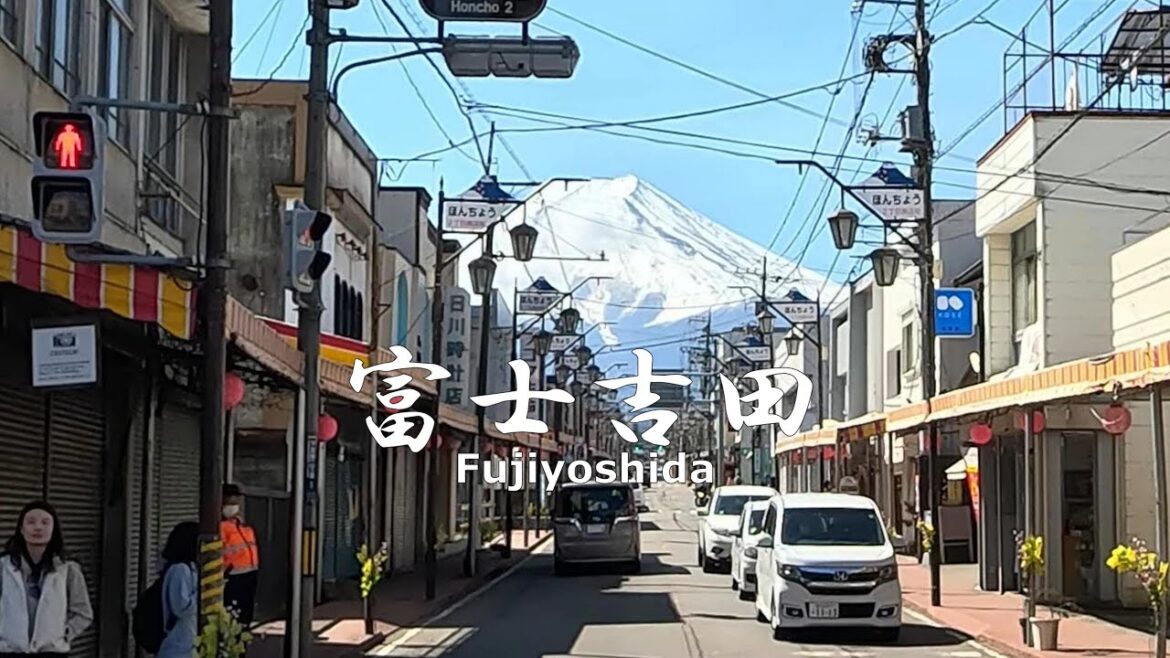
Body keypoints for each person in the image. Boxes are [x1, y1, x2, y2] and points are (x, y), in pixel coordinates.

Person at [0, 500, 93, 657]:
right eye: (31, 522)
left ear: (53, 529)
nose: (38, 527)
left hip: (52, 652)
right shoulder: (3, 567)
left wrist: (61, 634)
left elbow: (83, 613)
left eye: (45, 523)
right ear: (21, 529)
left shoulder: (68, 569)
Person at [156, 523, 198, 658]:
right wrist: (203, 592)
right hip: (178, 648)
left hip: (186, 645)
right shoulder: (180, 570)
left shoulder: (190, 568)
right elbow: (181, 608)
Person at [220, 484, 260, 626]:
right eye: (229, 500)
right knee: (233, 616)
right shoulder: (219, 526)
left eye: (235, 500)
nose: (234, 504)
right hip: (231, 578)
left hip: (249, 575)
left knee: (245, 616)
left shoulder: (242, 525)